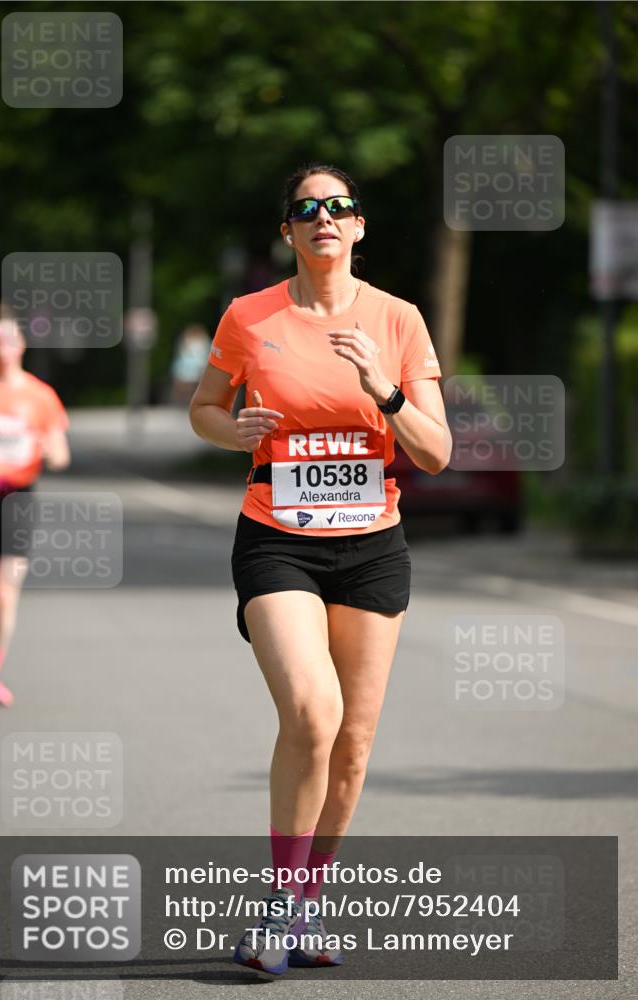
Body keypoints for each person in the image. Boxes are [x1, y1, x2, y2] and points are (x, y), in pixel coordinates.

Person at [189, 164, 451, 974]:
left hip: (372, 544)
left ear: (358, 228)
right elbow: (203, 406)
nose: (322, 217)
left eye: (337, 206)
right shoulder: (249, 315)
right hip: (278, 536)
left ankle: (306, 903)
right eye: (306, 209)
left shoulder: (398, 320)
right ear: (289, 233)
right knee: (311, 710)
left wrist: (385, 392)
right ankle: (276, 906)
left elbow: (435, 453)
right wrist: (230, 431)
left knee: (354, 742)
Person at [0, 268, 71, 705]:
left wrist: (50, 450)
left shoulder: (41, 396)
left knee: (5, 596)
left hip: (17, 500)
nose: (3, 349)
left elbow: (61, 455)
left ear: (22, 345)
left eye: (10, 340)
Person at [169, 324, 212, 404]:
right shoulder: (189, 342)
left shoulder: (202, 342)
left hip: (196, 367)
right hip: (190, 367)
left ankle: (185, 399)